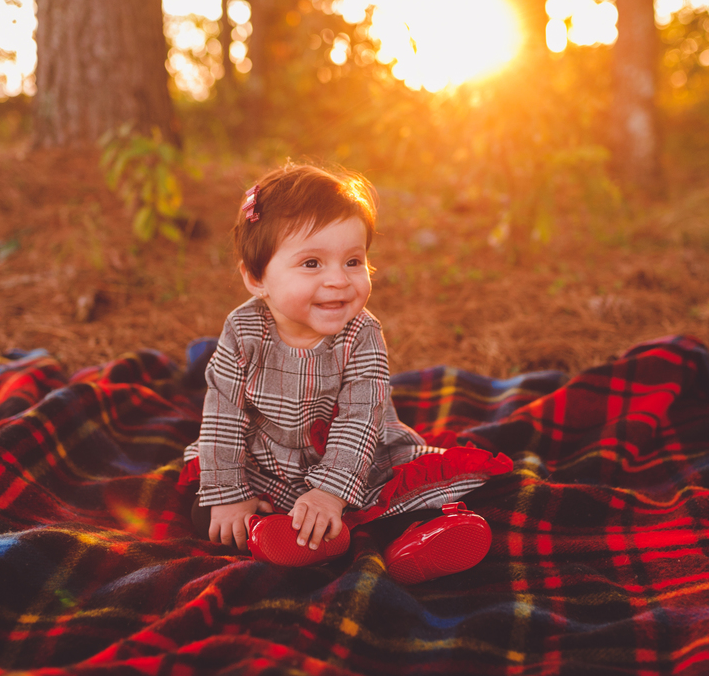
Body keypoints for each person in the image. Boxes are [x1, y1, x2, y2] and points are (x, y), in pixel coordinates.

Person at [179, 162, 512, 584]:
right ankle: (276, 534)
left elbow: (360, 418)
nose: (339, 280)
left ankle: (414, 537)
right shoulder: (243, 333)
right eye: (313, 264)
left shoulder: (362, 333)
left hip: (354, 459)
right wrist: (229, 494)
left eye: (353, 261)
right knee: (207, 507)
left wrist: (330, 492)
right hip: (267, 460)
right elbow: (223, 413)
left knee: (396, 490)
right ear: (256, 276)